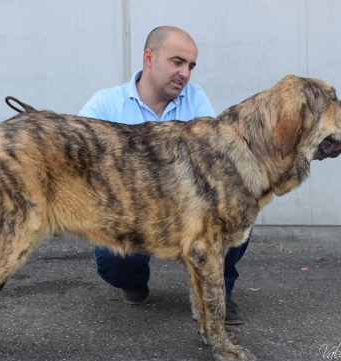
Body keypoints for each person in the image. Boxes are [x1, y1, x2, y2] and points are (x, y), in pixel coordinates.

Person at [79, 26, 250, 325]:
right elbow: (79, 161)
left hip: (188, 213)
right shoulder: (104, 104)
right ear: (149, 57)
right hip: (131, 215)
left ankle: (219, 293)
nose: (185, 73)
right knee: (115, 262)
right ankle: (133, 281)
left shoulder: (196, 100)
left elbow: (218, 163)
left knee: (234, 213)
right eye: (177, 62)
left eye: (191, 66)